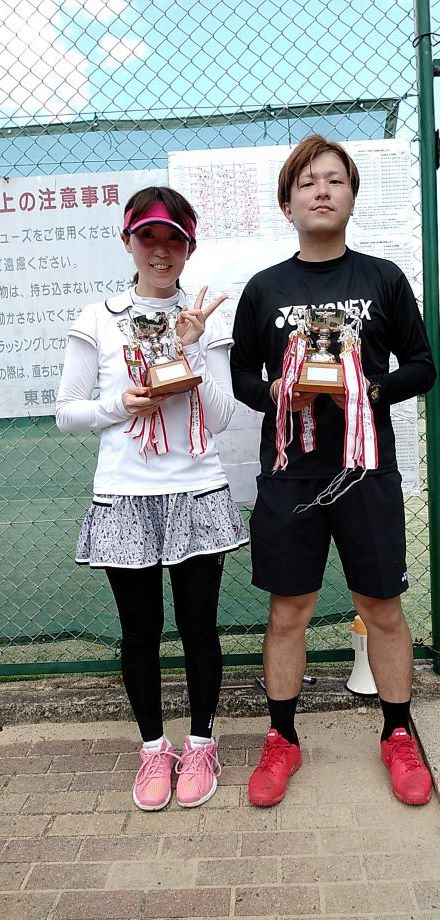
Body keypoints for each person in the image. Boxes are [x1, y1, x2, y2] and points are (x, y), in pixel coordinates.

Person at [230, 135, 436, 809]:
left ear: (352, 196)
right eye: (307, 182)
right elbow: (241, 377)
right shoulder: (265, 289)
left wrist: (371, 391)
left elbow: (422, 366)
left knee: (381, 606)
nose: (322, 191)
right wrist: (279, 392)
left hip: (365, 470)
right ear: (286, 204)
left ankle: (398, 733)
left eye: (335, 180)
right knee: (290, 608)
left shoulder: (382, 279)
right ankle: (282, 738)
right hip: (291, 474)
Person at [56, 186, 248, 812]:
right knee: (139, 631)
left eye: (174, 239)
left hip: (196, 490)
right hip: (126, 496)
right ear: (128, 240)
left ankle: (201, 744)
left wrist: (190, 346)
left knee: (198, 628)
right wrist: (120, 405)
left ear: (189, 247)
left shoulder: (203, 318)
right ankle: (153, 749)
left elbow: (220, 418)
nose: (161, 251)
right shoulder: (98, 318)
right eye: (149, 237)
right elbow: (67, 412)